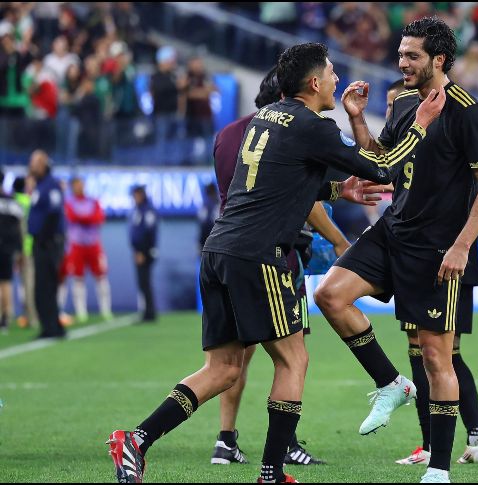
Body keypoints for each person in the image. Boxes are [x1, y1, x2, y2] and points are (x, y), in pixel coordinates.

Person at [107, 42, 444, 484]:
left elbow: (274, 183)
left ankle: (136, 440)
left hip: (219, 250)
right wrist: (419, 125)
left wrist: (337, 191)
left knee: (223, 369)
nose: (337, 78)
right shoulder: (312, 125)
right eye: (330, 71)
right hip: (259, 256)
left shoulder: (263, 118)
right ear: (314, 82)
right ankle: (271, 473)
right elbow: (383, 169)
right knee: (293, 361)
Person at [314, 17, 478, 484]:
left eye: (411, 55)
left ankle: (438, 469)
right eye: (400, 53)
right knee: (330, 294)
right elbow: (383, 164)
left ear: (439, 59)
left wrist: (462, 245)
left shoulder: (468, 113)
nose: (401, 62)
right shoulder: (403, 103)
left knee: (438, 358)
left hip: (438, 248)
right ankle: (393, 383)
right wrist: (357, 120)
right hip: (394, 231)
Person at [208, 64, 370, 468]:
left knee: (231, 362)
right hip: (271, 253)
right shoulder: (294, 130)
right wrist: (336, 240)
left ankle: (224, 439)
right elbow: (308, 196)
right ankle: (281, 453)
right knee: (293, 354)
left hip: (224, 246)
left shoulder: (227, 135)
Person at [383, 79, 478, 467]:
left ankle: (474, 438)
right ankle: (433, 443)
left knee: (443, 354)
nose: (394, 114)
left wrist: (463, 245)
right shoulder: (410, 144)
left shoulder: (457, 117)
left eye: (395, 105)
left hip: (446, 249)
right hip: (415, 249)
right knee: (425, 351)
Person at [28, 150, 66, 339]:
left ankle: (51, 326)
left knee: (46, 285)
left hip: (48, 242)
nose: (31, 166)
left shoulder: (51, 185)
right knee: (44, 286)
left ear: (44, 165)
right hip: (42, 241)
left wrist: (43, 238)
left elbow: (53, 212)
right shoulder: (40, 185)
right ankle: (52, 325)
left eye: (35, 163)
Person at [63, 176, 112, 323]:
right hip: (77, 244)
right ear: (72, 187)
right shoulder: (68, 202)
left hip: (93, 244)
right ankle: (81, 312)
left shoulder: (93, 201)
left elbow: (99, 218)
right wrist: (87, 218)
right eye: (76, 185)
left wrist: (83, 218)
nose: (79, 187)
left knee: (101, 276)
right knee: (78, 278)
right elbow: (71, 216)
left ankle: (106, 310)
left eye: (81, 184)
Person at [129, 185, 158, 323]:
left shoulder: (147, 211)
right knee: (143, 283)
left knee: (145, 282)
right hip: (139, 251)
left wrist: (142, 251)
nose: (135, 198)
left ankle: (149, 312)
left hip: (144, 252)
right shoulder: (139, 210)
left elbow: (148, 233)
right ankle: (147, 311)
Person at [12, 175, 38, 329]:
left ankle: (5, 316)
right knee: (28, 285)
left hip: (9, 247)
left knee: (5, 283)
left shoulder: (12, 201)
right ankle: (32, 317)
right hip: (27, 247)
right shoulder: (29, 202)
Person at [0, 169, 23, 334]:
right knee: (6, 283)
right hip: (8, 248)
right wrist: (19, 249)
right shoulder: (13, 201)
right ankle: (6, 319)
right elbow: (18, 228)